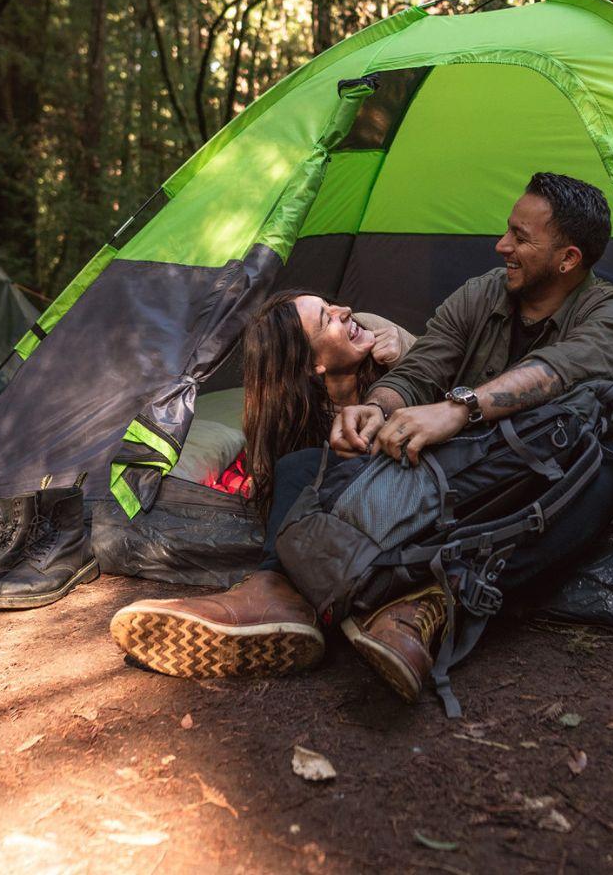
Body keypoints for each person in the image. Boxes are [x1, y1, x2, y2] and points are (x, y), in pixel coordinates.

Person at [111, 172, 613, 704]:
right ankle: (277, 594)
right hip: (450, 469)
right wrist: (376, 406)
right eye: (507, 230)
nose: (501, 245)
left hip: (531, 478)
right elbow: (424, 367)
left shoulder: (609, 314)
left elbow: (557, 370)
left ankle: (432, 603)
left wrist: (460, 409)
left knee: (610, 477)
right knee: (303, 466)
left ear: (568, 259)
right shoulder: (483, 293)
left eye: (520, 238)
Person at [109, 290, 415, 677]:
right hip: (363, 525)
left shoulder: (386, 346)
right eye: (327, 319)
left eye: (332, 307)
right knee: (301, 472)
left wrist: (408, 351)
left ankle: (275, 595)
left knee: (302, 469)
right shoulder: (301, 423)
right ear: (312, 366)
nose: (346, 311)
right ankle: (297, 603)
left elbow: (452, 385)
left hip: (417, 491)